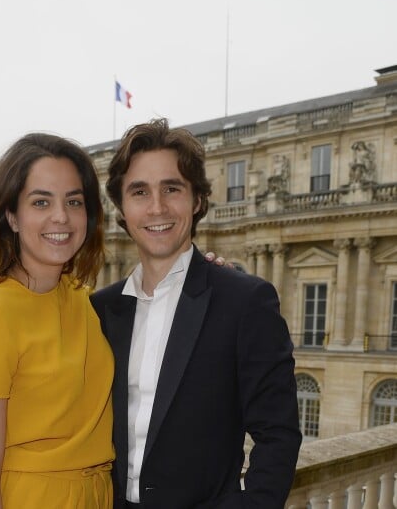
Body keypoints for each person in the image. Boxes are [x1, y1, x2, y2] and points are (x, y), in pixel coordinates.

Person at [90, 118, 302, 509]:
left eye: (172, 188)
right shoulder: (101, 310)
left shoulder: (245, 302)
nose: (157, 207)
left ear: (198, 200)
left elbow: (279, 435)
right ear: (121, 208)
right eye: (139, 192)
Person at [0, 134, 115, 509]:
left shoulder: (82, 299)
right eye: (41, 202)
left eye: (74, 201)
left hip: (99, 494)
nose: (61, 216)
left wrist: (202, 272)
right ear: (11, 216)